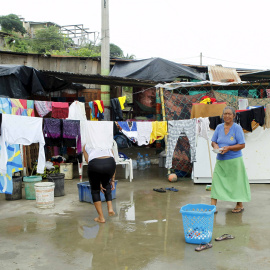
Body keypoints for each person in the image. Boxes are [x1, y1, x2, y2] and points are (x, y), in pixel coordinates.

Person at [211, 106, 251, 213]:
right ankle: (213, 207)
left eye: (229, 114)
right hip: (220, 160)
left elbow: (242, 145)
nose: (227, 116)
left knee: (236, 183)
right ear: (222, 115)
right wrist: (215, 146)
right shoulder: (219, 127)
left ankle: (239, 205)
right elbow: (213, 141)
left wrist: (229, 148)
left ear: (234, 116)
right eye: (225, 113)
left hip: (234, 161)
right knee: (216, 182)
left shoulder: (237, 128)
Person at [83, 144, 116, 223]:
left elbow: (89, 162)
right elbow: (113, 161)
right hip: (110, 163)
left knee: (95, 190)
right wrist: (113, 180)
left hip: (95, 164)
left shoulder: (86, 145)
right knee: (106, 183)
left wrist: (97, 181)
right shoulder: (107, 143)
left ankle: (101, 218)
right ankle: (110, 207)